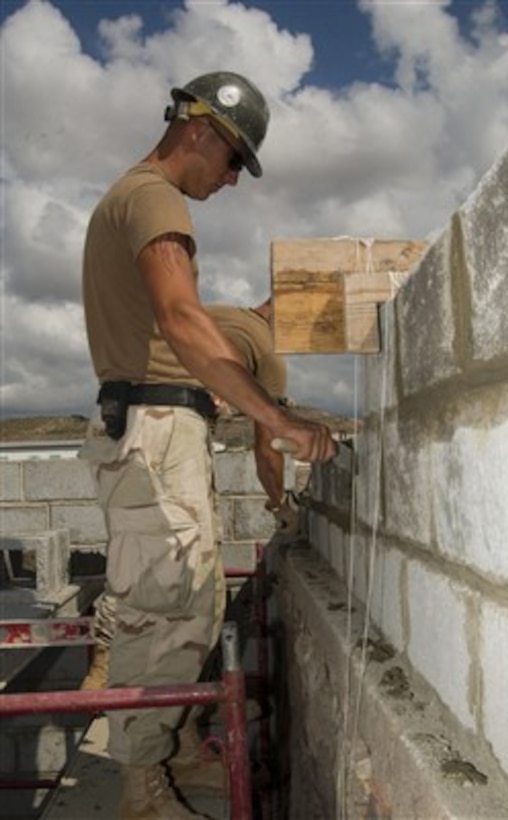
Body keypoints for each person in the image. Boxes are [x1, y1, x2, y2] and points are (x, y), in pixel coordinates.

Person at [79, 71, 336, 820]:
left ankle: (175, 745)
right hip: (156, 430)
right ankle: (140, 784)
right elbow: (184, 321)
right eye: (232, 163)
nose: (231, 182)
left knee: (190, 602)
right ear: (200, 130)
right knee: (165, 611)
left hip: (158, 430)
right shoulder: (154, 196)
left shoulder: (134, 196)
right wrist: (280, 422)